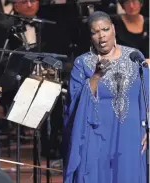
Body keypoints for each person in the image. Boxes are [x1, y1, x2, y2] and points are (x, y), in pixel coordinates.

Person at [63, 11, 149, 183]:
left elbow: (147, 93)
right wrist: (95, 76)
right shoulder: (83, 63)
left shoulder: (134, 57)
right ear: (90, 37)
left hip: (130, 133)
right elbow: (74, 105)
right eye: (95, 32)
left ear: (114, 29)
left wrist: (147, 127)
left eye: (105, 29)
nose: (101, 36)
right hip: (97, 136)